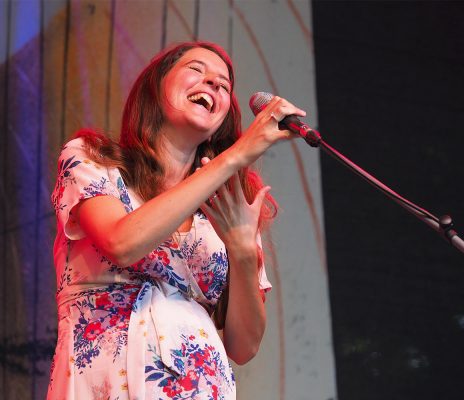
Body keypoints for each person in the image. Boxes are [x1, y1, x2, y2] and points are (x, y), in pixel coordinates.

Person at [47, 41, 305, 400]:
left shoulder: (226, 206)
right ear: (155, 89)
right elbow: (122, 244)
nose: (213, 83)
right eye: (197, 70)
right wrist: (235, 156)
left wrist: (244, 251)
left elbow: (243, 346)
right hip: (104, 380)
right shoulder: (93, 161)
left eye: (224, 85)